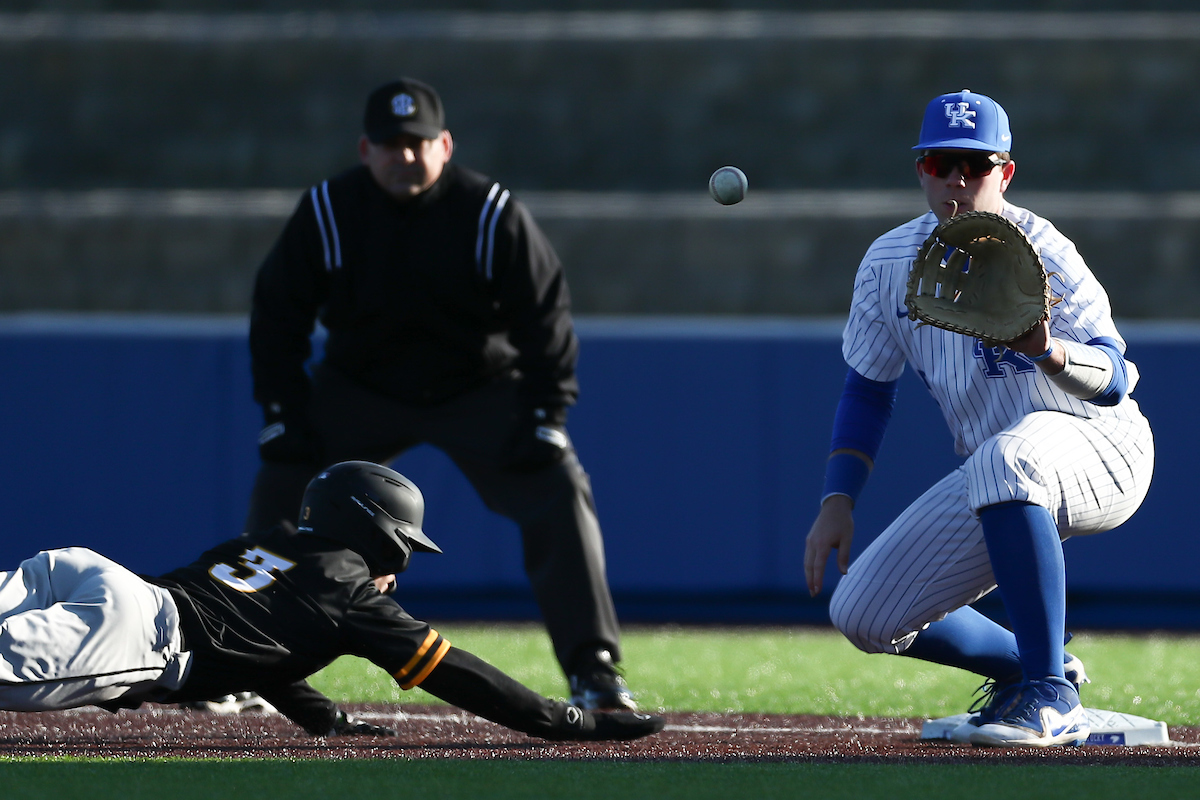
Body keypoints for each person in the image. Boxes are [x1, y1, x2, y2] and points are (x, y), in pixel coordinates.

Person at [244, 77, 633, 711]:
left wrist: (545, 413)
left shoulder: (489, 210)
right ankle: (249, 657)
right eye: (391, 144)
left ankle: (594, 668)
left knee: (559, 486)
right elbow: (278, 313)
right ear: (364, 149)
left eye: (418, 143)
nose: (405, 156)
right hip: (360, 386)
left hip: (475, 388)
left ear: (444, 145)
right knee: (283, 480)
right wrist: (282, 411)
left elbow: (545, 314)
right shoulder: (328, 210)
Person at [802, 89, 1154, 748]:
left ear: (1006, 172)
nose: (958, 180)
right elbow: (868, 390)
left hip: (1104, 449)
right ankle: (1037, 666)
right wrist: (837, 499)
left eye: (976, 164)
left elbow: (1118, 380)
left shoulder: (1044, 249)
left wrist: (1048, 351)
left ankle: (1049, 696)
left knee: (1005, 457)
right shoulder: (887, 263)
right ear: (921, 170)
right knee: (863, 613)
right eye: (941, 163)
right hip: (1003, 474)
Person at [0, 461, 664, 744]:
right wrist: (568, 721)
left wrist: (324, 718)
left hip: (90, 574)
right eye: (402, 545)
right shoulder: (349, 591)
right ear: (378, 532)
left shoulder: (269, 541)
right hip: (138, 634)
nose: (401, 564)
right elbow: (458, 672)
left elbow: (264, 652)